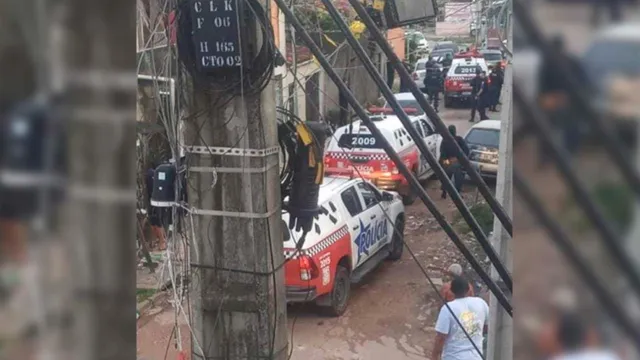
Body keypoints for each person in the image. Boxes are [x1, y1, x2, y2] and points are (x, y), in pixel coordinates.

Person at [537, 35, 590, 167]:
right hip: (557, 101)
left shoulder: (562, 62)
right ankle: (550, 157)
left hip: (566, 101)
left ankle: (562, 155)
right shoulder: (554, 62)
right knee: (551, 130)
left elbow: (582, 82)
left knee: (567, 129)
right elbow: (542, 84)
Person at [432, 276, 489, 360]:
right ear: (468, 289)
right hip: (476, 357)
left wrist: (434, 356)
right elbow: (487, 327)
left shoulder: (447, 308)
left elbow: (441, 337)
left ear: (452, 290)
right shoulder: (481, 303)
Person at [439, 125, 470, 199]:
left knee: (446, 176)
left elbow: (442, 154)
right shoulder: (459, 139)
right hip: (457, 162)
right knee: (458, 177)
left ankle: (444, 191)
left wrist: (446, 162)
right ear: (455, 131)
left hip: (449, 162)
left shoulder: (445, 141)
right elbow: (466, 150)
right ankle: (457, 192)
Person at [146, 162, 167, 250]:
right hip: (155, 199)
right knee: (155, 221)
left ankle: (162, 241)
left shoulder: (152, 174)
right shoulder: (152, 174)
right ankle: (161, 240)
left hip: (156, 200)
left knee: (156, 221)